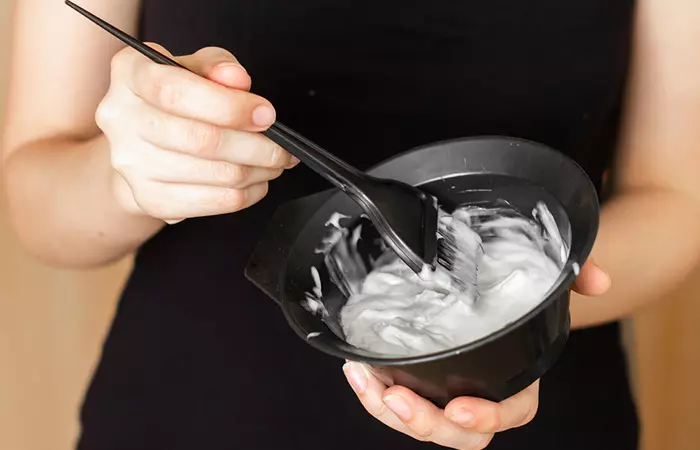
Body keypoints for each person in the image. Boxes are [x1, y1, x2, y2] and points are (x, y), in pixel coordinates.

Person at [3, 0, 700, 448]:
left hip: (538, 408)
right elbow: (35, 196)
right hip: (196, 412)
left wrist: (521, 309)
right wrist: (127, 177)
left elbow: (675, 197)